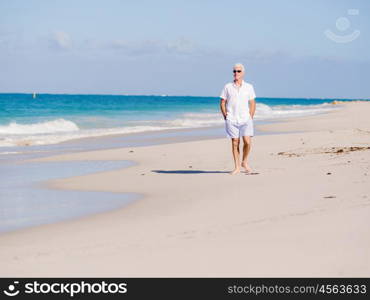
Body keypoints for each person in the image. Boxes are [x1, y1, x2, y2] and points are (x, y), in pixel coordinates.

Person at [220, 63, 256, 175]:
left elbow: (252, 103)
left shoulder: (249, 87)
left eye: (239, 71)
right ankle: (237, 167)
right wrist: (225, 115)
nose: (236, 73)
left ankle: (244, 162)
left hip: (246, 119)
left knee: (247, 142)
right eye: (234, 71)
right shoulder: (227, 87)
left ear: (243, 73)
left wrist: (250, 116)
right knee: (235, 142)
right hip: (232, 119)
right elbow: (222, 102)